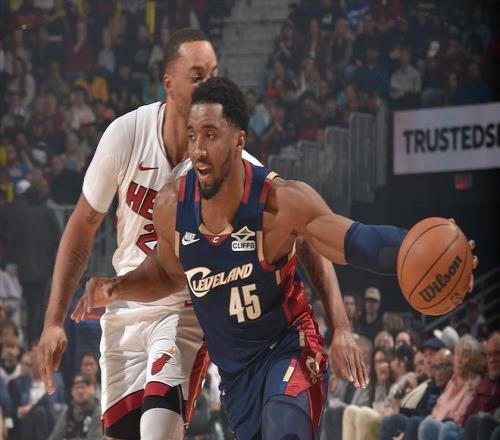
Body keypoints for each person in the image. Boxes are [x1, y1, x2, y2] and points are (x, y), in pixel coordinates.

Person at [73, 77, 476, 439]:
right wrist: (116, 287)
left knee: (286, 429)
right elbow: (166, 272)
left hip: (288, 348)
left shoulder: (280, 204)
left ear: (239, 141)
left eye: (210, 135)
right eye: (192, 136)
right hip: (237, 378)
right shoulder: (172, 207)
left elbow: (358, 241)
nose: (197, 150)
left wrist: (417, 249)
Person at [39, 29, 364, 440]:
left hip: (186, 309)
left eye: (213, 73)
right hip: (128, 304)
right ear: (168, 83)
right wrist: (53, 321)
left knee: (157, 432)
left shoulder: (233, 162)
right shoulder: (127, 135)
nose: (208, 83)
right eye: (197, 76)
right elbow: (83, 224)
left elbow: (305, 231)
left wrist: (340, 325)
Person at [48, 374, 101, 440]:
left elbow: (96, 438)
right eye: (77, 387)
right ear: (72, 392)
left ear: (91, 389)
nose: (80, 391)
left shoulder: (98, 410)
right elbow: (55, 437)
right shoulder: (68, 412)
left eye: (83, 387)